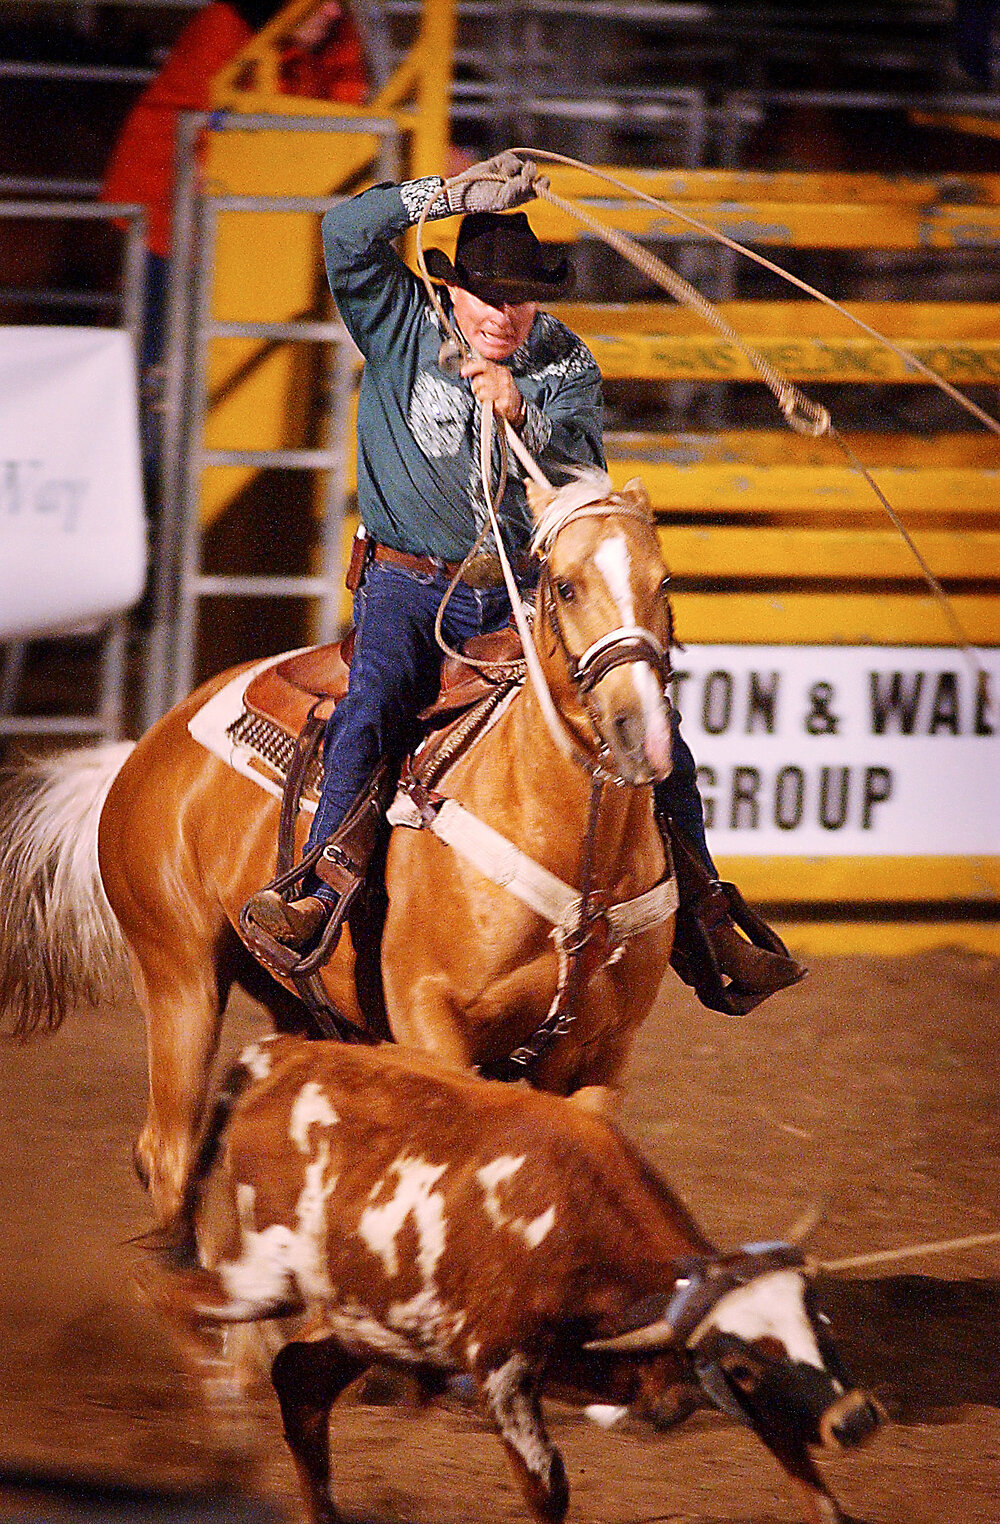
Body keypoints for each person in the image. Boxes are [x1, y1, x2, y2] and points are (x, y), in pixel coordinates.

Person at [246, 154, 803, 1010]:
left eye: (521, 298)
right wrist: (448, 194)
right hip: (406, 583)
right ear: (452, 289)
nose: (505, 315)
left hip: (521, 590)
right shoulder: (398, 318)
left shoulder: (564, 363)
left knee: (646, 721)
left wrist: (522, 412)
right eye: (489, 296)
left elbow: (581, 472)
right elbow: (347, 230)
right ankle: (320, 888)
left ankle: (703, 911)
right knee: (378, 700)